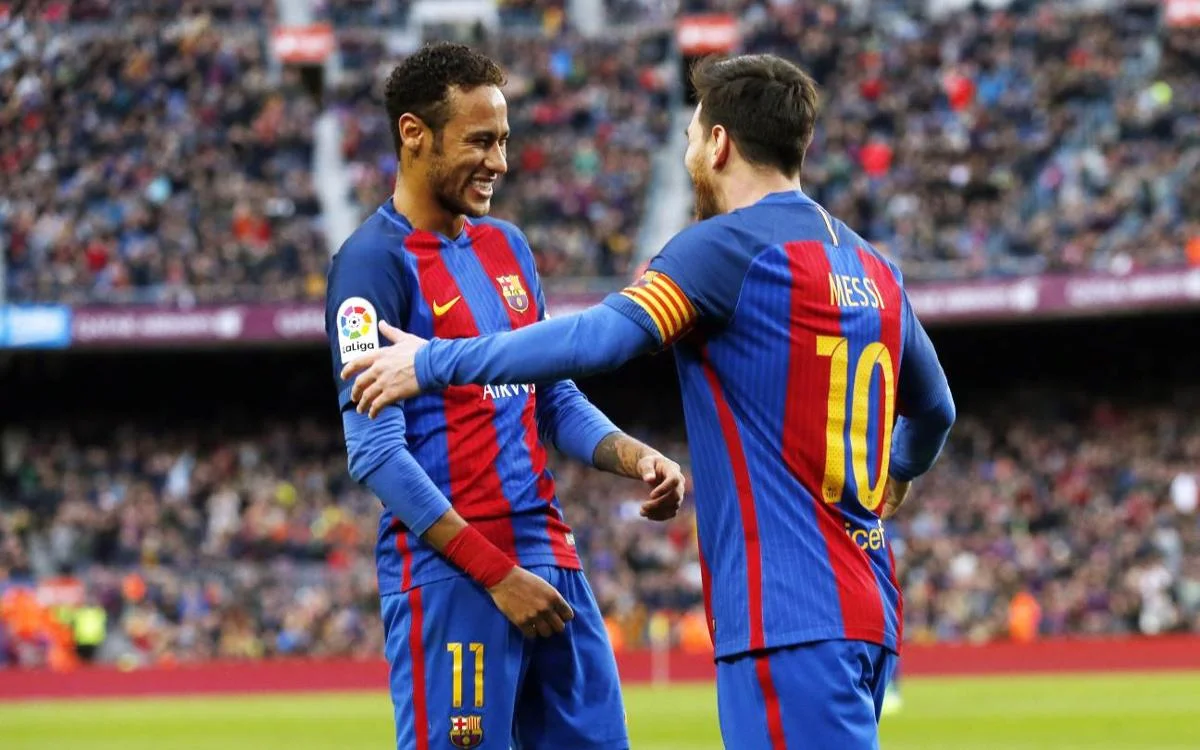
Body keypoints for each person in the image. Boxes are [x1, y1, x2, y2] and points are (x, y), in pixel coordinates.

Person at [343, 53, 956, 749]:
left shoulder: (719, 251)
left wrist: (432, 360)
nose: (690, 155)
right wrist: (896, 474)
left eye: (691, 138)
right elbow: (936, 410)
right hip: (868, 606)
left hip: (785, 615)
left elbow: (599, 340)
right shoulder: (877, 268)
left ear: (718, 143)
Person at [326, 43, 685, 750]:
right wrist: (496, 574)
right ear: (413, 134)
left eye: (504, 141)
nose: (500, 162)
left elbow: (551, 399)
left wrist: (632, 455)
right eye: (480, 141)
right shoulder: (370, 265)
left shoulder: (508, 247)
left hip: (551, 560)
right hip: (457, 579)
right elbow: (375, 452)